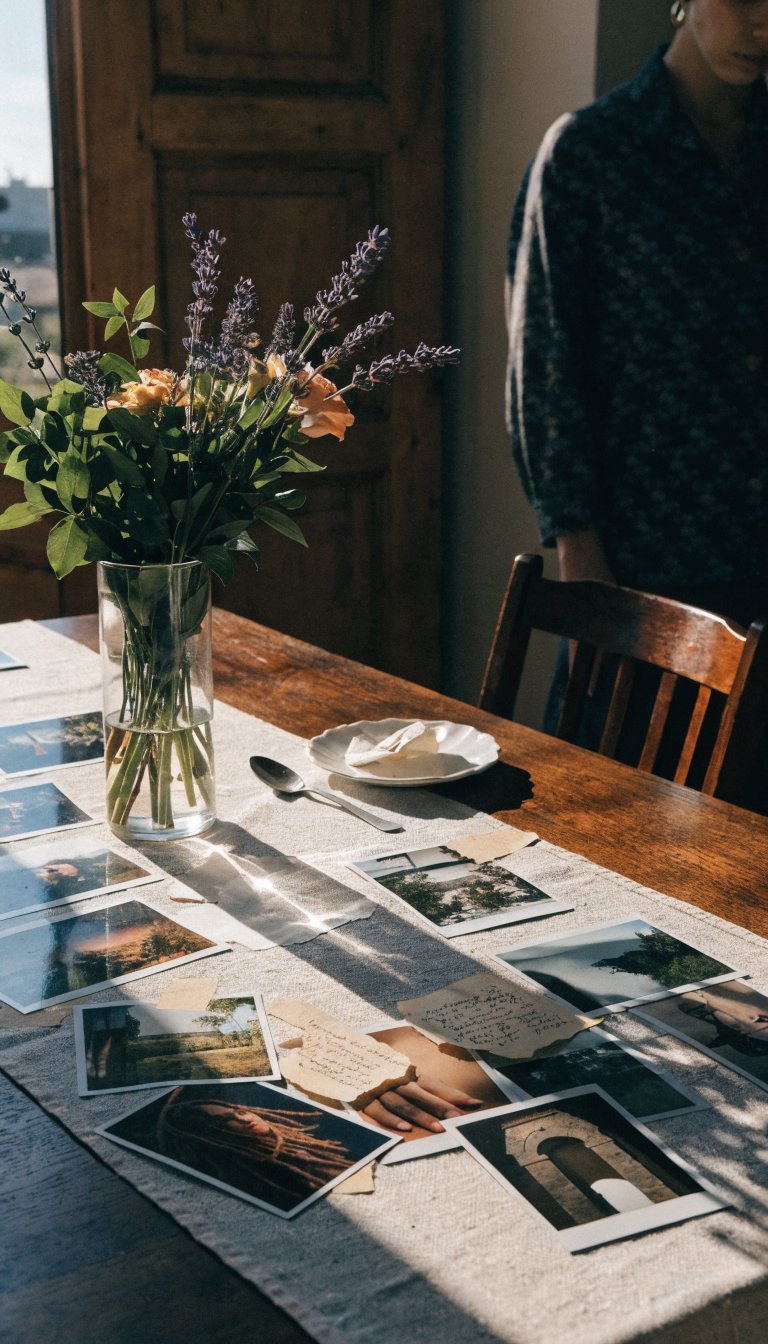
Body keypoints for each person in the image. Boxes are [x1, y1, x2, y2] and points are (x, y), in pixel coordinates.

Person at [507, 0, 768, 625]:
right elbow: (547, 370)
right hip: (646, 566)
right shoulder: (589, 155)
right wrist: (581, 559)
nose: (763, 24)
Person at [156, 1090, 354, 1208]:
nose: (244, 1118)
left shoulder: (302, 1149)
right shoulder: (252, 1179)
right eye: (225, 1120)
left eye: (239, 1111)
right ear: (210, 1136)